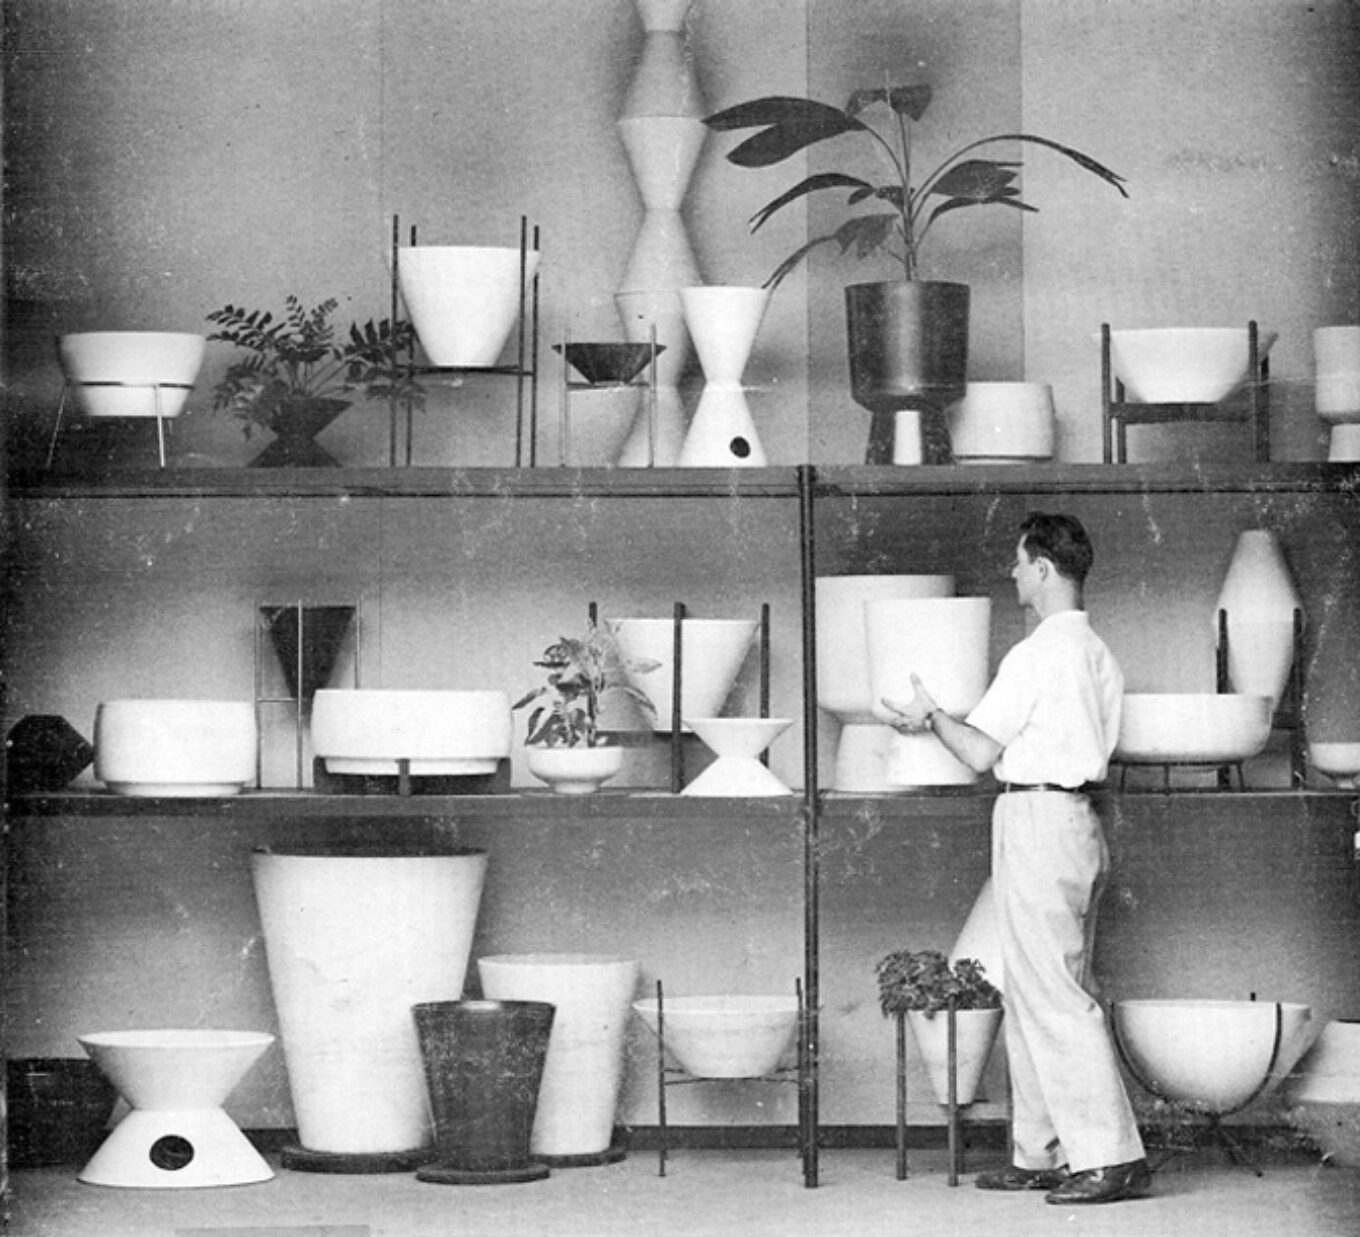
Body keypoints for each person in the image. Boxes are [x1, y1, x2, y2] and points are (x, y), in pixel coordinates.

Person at [882, 511, 1150, 1206]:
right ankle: (1043, 1152)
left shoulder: (1037, 654)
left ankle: (1111, 1156)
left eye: (1018, 561)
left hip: (1036, 818)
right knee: (1034, 989)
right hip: (1076, 819)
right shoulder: (1098, 653)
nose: (1012, 572)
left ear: (1043, 569)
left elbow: (977, 751)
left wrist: (930, 715)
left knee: (1053, 995)